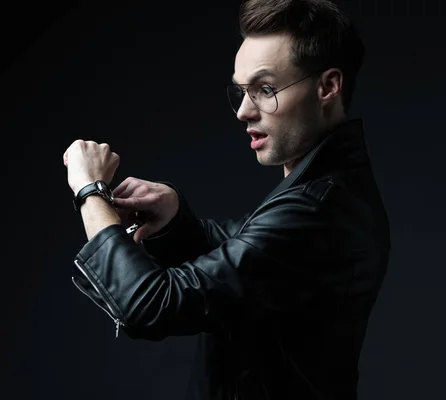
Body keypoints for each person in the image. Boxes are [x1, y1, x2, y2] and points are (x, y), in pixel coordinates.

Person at [62, 0, 390, 399]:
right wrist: (174, 216)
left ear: (327, 87)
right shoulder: (322, 189)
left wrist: (89, 190)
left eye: (265, 90)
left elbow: (149, 306)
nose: (243, 112)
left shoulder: (317, 208)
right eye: (241, 91)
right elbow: (247, 254)